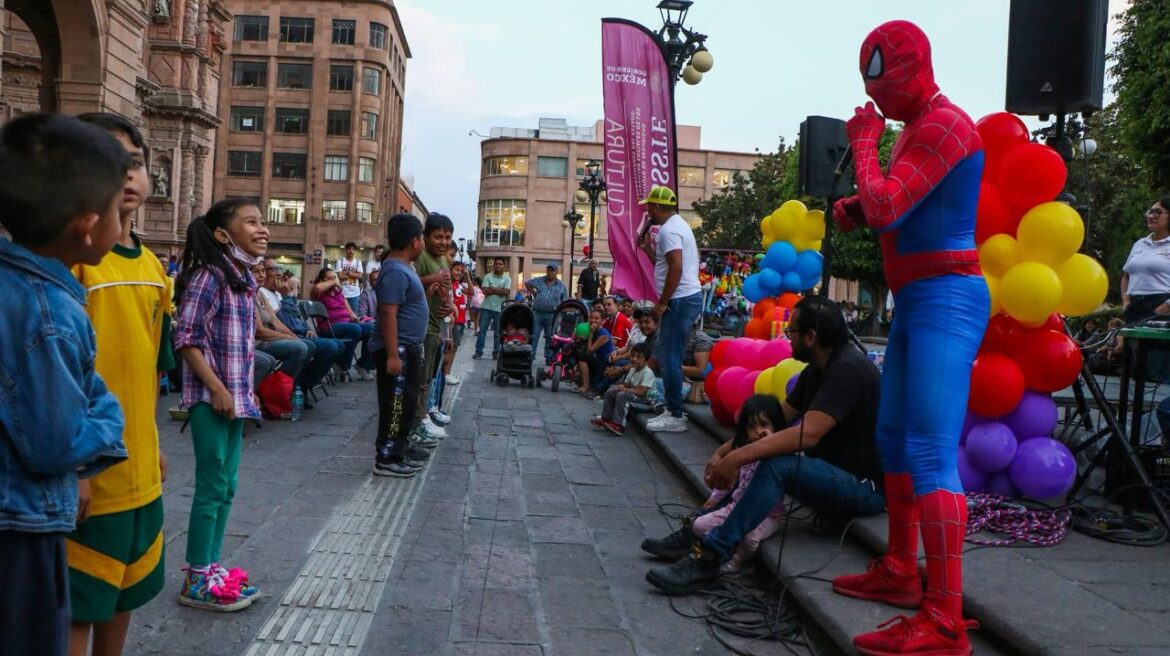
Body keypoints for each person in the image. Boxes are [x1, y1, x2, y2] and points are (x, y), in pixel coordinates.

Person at [829, 21, 987, 653]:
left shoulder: (946, 126)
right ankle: (900, 569)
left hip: (945, 296)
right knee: (893, 437)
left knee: (927, 451)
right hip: (919, 298)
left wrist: (865, 145)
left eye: (882, 80)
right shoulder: (921, 130)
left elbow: (892, 206)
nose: (877, 98)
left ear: (910, 68)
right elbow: (897, 206)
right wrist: (858, 206)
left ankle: (945, 619)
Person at [644, 297, 885, 593]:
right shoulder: (818, 368)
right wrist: (727, 450)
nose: (788, 338)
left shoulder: (848, 369)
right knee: (758, 455)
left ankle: (711, 557)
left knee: (773, 464)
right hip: (829, 473)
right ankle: (697, 531)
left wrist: (736, 458)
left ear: (811, 337)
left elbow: (807, 434)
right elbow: (779, 417)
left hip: (863, 487)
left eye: (792, 332)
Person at [0, 113, 130, 656]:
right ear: (87, 225)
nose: (123, 229)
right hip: (22, 531)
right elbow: (58, 442)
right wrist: (112, 416)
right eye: (120, 214)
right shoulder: (52, 311)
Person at [68, 114, 172, 656]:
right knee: (80, 602)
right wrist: (79, 467)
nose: (125, 174)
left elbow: (151, 367)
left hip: (139, 469)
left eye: (133, 160)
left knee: (125, 596)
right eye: (108, 161)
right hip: (90, 474)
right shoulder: (70, 265)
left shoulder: (155, 267)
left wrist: (151, 443)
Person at [172, 198, 267, 612]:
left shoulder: (243, 280)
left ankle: (212, 567)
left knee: (227, 487)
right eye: (252, 222)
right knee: (211, 488)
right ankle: (195, 578)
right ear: (223, 235)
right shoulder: (209, 276)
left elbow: (242, 346)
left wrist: (244, 390)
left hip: (235, 399)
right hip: (211, 401)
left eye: (262, 222)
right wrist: (217, 389)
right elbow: (187, 339)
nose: (263, 229)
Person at [690, 395, 788, 575]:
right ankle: (722, 548)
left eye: (764, 425)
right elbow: (728, 481)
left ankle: (737, 562)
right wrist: (714, 498)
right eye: (752, 427)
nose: (758, 431)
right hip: (735, 507)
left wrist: (771, 441)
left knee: (749, 539)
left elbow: (799, 460)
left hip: (768, 515)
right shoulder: (743, 452)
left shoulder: (781, 454)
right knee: (699, 526)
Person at [636, 185, 703, 433]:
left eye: (648, 208)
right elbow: (665, 264)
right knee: (669, 355)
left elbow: (676, 268)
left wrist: (662, 303)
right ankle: (672, 409)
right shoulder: (677, 226)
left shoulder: (668, 231)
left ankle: (675, 413)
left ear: (655, 207)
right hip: (685, 298)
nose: (647, 213)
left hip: (680, 300)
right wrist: (646, 249)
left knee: (670, 357)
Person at [370, 214, 430, 478]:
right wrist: (393, 355)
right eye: (423, 239)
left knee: (406, 403)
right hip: (399, 348)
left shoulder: (403, 268)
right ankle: (386, 459)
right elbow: (387, 313)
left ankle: (399, 450)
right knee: (395, 404)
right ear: (415, 241)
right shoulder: (394, 270)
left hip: (408, 346)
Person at [414, 213, 456, 442]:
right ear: (426, 237)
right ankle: (420, 420)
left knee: (430, 374)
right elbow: (412, 282)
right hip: (424, 327)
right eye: (438, 237)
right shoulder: (421, 258)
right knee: (422, 376)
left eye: (447, 237)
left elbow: (445, 288)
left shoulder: (442, 259)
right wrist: (433, 278)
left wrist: (449, 304)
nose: (444, 242)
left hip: (437, 326)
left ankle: (425, 414)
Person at [310, 267, 375, 380]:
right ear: (321, 280)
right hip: (328, 327)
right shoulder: (319, 293)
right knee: (354, 329)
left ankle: (363, 365)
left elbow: (348, 310)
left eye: (334, 277)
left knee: (372, 328)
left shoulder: (338, 292)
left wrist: (353, 316)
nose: (334, 281)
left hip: (347, 324)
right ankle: (342, 365)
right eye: (329, 278)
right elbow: (317, 288)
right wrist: (335, 281)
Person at [1120, 195, 1170, 322]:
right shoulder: (1140, 243)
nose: (1152, 216)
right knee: (1132, 342)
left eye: (1158, 212)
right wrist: (1126, 301)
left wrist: (1164, 307)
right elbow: (1126, 276)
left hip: (1162, 305)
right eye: (1150, 211)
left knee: (1156, 342)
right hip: (1134, 306)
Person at [591, 343, 656, 435]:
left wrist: (626, 390)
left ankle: (619, 425)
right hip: (634, 396)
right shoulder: (633, 369)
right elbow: (626, 385)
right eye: (632, 356)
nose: (634, 359)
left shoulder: (647, 373)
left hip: (645, 401)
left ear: (646, 360)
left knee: (622, 396)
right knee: (611, 392)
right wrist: (621, 387)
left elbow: (641, 392)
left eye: (638, 357)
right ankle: (605, 419)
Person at [528, 262, 569, 361]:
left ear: (556, 272)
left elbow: (565, 301)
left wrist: (562, 315)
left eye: (552, 270)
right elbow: (528, 283)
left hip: (552, 315)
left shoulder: (561, 285)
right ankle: (530, 356)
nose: (550, 272)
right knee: (534, 335)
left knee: (550, 338)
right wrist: (534, 293)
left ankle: (549, 358)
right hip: (538, 313)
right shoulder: (540, 280)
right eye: (548, 270)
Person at [475, 257, 511, 359]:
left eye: (500, 264)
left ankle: (496, 353)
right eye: (496, 264)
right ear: (493, 265)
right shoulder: (487, 276)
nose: (498, 266)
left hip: (499, 309)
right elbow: (484, 290)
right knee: (482, 331)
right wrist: (499, 290)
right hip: (486, 308)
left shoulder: (507, 278)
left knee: (498, 333)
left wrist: (492, 288)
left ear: (504, 266)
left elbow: (506, 292)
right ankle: (478, 352)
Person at [442, 261, 470, 387]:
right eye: (456, 270)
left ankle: (447, 373)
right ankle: (444, 374)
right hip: (453, 321)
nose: (459, 273)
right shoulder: (449, 284)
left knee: (455, 348)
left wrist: (468, 276)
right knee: (450, 348)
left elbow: (471, 291)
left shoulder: (459, 285)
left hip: (461, 320)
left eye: (461, 271)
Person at [577, 308, 614, 398]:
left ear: (602, 321)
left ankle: (586, 386)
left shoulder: (603, 334)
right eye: (591, 318)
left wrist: (591, 333)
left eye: (596, 318)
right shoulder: (594, 331)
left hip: (604, 364)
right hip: (597, 360)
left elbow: (590, 350)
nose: (593, 320)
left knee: (582, 356)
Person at [335, 241, 364, 313]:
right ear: (345, 250)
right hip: (343, 292)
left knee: (354, 315)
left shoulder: (358, 262)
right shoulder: (340, 261)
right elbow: (340, 276)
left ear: (355, 251)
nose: (351, 251)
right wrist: (354, 274)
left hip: (355, 293)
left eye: (353, 249)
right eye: (349, 249)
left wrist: (347, 273)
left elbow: (360, 276)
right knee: (343, 314)